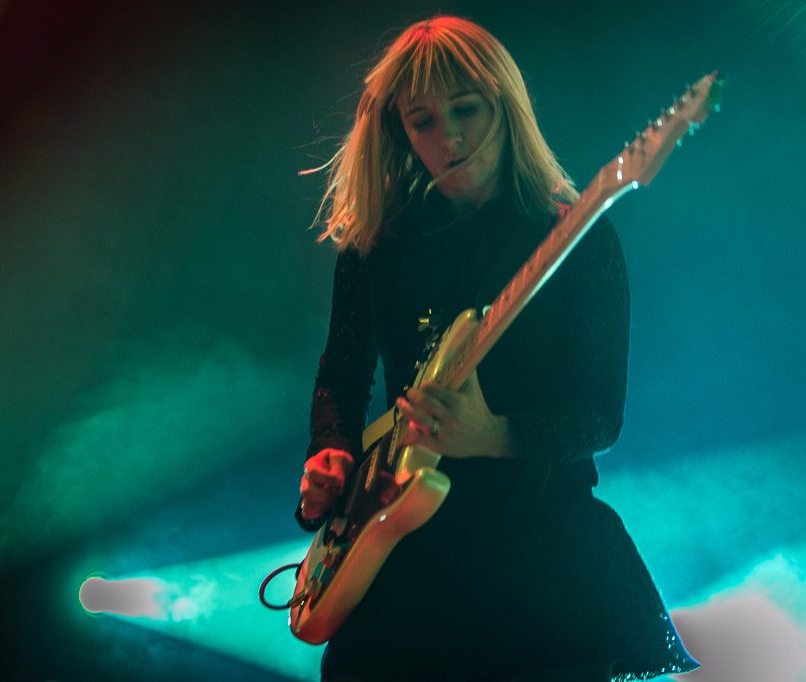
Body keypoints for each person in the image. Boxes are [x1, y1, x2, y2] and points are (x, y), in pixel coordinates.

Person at [294, 15, 698, 682]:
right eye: (422, 120)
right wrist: (330, 454)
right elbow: (340, 374)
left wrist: (495, 435)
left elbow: (601, 416)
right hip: (406, 555)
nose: (448, 136)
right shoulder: (376, 245)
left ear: (505, 105)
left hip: (540, 556)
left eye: (466, 109)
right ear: (400, 131)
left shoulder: (577, 237)